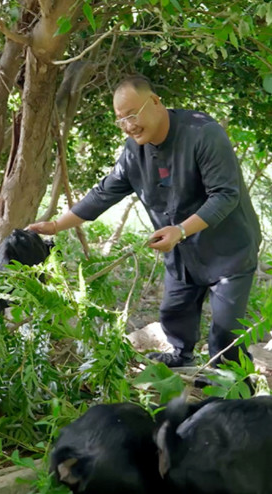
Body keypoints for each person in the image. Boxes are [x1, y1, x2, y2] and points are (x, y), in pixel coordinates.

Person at [28, 75, 261, 368]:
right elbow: (103, 194)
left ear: (155, 102)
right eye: (121, 119)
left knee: (226, 333)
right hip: (181, 251)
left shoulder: (202, 134)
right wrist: (55, 226)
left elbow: (226, 195)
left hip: (228, 249)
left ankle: (230, 385)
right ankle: (182, 356)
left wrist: (180, 230)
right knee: (174, 312)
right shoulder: (134, 152)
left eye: (132, 115)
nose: (128, 125)